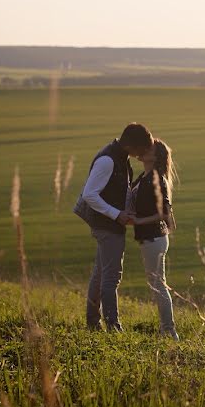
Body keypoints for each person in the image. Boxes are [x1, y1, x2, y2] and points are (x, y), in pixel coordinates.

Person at [74, 123, 153, 332]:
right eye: (142, 149)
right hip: (106, 225)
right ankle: (113, 326)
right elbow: (89, 194)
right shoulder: (108, 161)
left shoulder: (119, 158)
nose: (142, 155)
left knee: (100, 274)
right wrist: (117, 214)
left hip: (108, 223)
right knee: (112, 276)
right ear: (132, 146)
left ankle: (93, 323)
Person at [131, 138, 180, 340]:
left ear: (156, 156)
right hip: (150, 238)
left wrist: (139, 221)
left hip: (154, 238)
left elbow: (165, 213)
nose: (143, 150)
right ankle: (166, 330)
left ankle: (169, 331)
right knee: (157, 284)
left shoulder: (156, 178)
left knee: (159, 285)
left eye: (148, 148)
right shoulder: (144, 176)